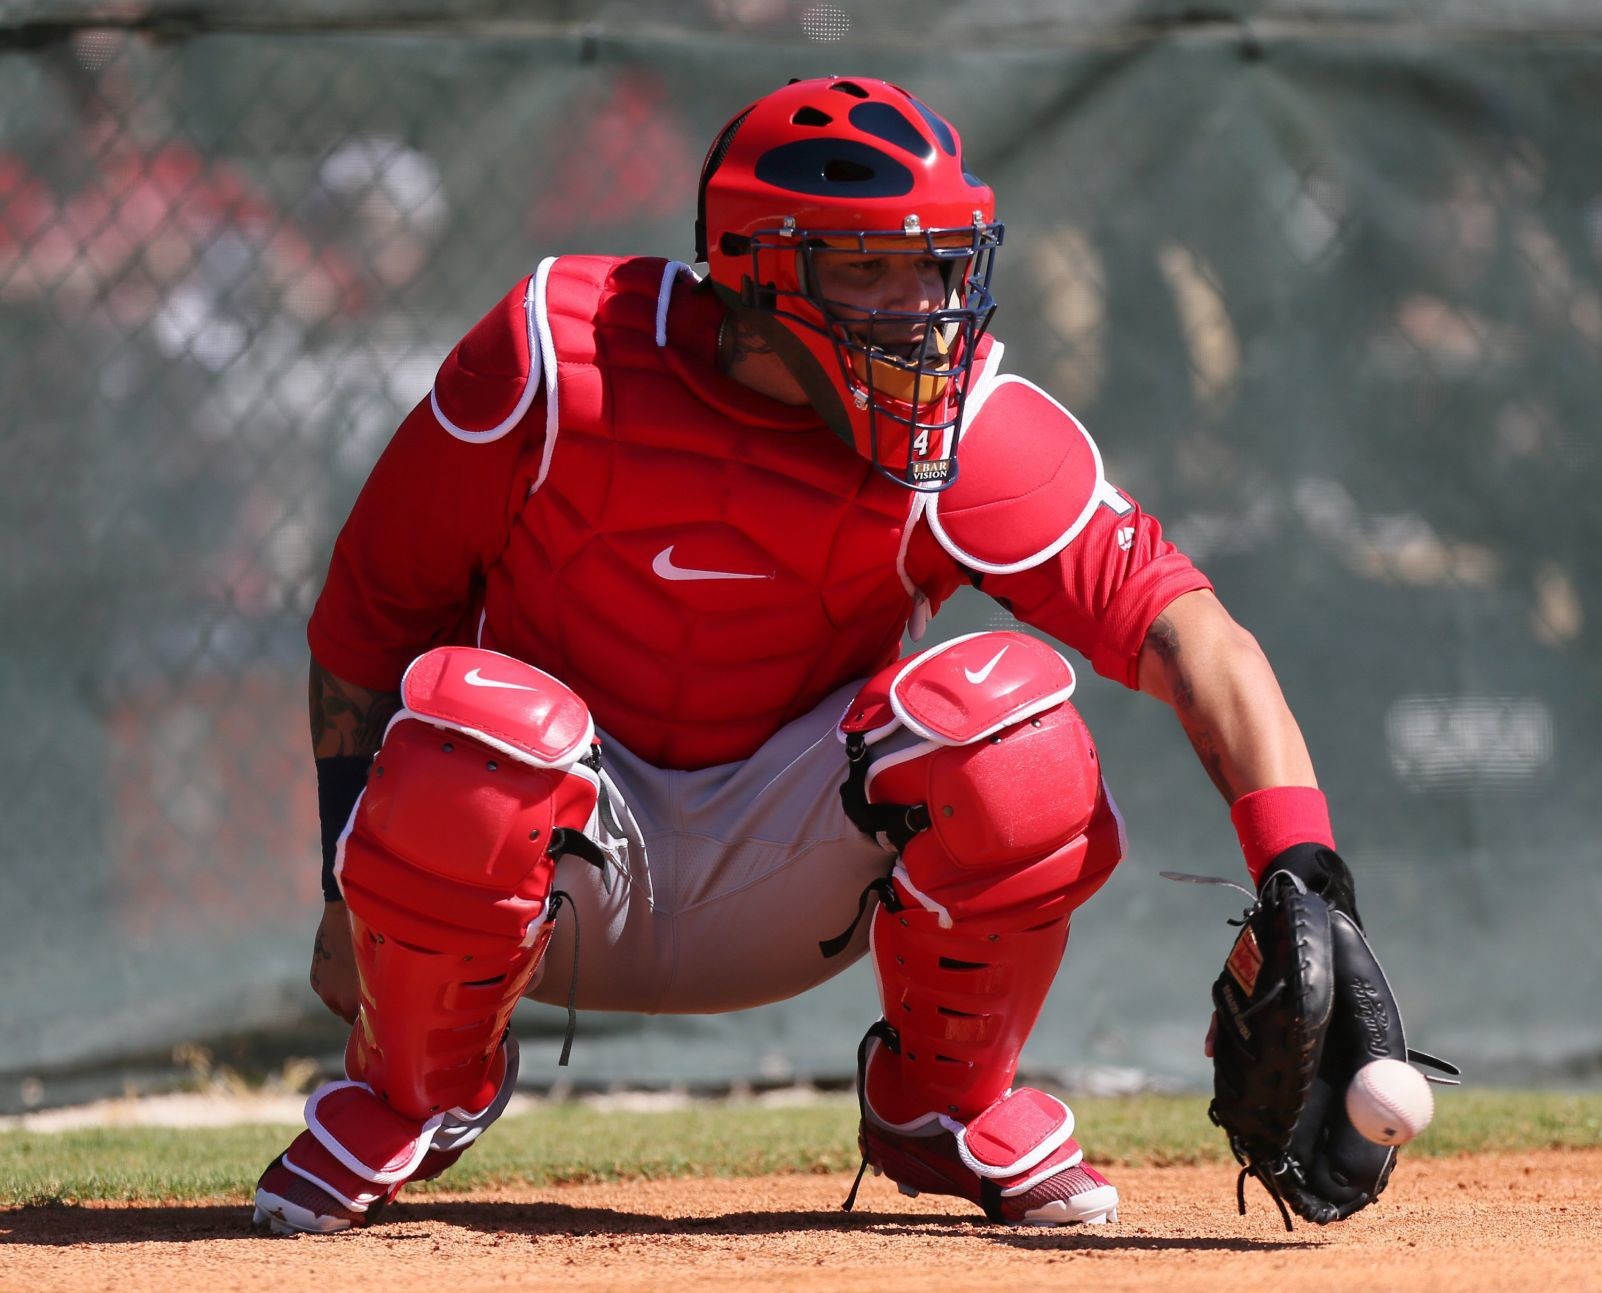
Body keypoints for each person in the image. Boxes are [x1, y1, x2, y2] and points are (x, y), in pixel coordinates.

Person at [253, 75, 1351, 1234]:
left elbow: (1190, 634)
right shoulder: (553, 354)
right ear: (759, 266)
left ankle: (941, 1106)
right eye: (871, 268)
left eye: (937, 266)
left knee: (1014, 726)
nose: (921, 305)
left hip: (789, 869)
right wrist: (343, 885)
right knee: (477, 724)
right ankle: (417, 1087)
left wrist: (1309, 875)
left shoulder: (965, 422)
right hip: (551, 867)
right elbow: (373, 613)